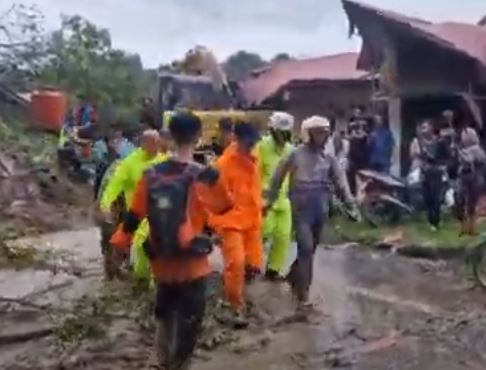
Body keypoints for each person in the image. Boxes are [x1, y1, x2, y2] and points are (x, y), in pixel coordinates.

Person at [110, 112, 233, 370]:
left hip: (162, 264)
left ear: (170, 137)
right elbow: (224, 207)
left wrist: (119, 245)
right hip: (193, 265)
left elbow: (133, 217)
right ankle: (178, 365)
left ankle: (160, 361)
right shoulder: (205, 175)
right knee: (189, 325)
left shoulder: (151, 174)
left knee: (165, 317)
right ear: (198, 136)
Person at [266, 116, 356, 311]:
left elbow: (341, 183)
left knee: (311, 248)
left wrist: (351, 205)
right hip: (301, 207)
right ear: (308, 134)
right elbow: (277, 177)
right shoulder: (295, 155)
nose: (322, 136)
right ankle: (303, 293)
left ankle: (293, 276)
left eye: (325, 132)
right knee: (305, 247)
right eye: (318, 132)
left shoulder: (328, 158)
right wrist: (269, 200)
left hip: (320, 206)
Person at [210, 122, 264, 325]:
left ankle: (238, 294)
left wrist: (262, 205)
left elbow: (254, 190)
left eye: (254, 142)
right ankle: (236, 307)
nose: (252, 145)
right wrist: (214, 226)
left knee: (254, 266)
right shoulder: (223, 164)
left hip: (252, 222)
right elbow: (212, 198)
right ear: (237, 139)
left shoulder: (254, 159)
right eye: (249, 142)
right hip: (229, 222)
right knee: (237, 263)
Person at [98, 130, 167, 279]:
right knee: (137, 247)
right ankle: (139, 278)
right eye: (152, 143)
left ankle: (156, 282)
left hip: (161, 214)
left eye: (157, 142)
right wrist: (105, 204)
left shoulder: (164, 160)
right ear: (143, 144)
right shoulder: (129, 163)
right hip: (137, 215)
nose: (156, 147)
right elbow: (114, 185)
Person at [258, 112, 294, 281]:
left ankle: (273, 270)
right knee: (263, 233)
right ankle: (249, 265)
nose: (283, 136)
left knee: (283, 236)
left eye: (286, 132)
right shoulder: (262, 147)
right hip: (264, 199)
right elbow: (254, 173)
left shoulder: (291, 150)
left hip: (284, 199)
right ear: (272, 131)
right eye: (280, 132)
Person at [411, 120, 445, 231]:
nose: (423, 130)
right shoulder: (421, 142)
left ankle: (435, 222)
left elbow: (445, 156)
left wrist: (443, 166)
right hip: (425, 172)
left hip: (436, 171)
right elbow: (419, 156)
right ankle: (431, 220)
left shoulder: (439, 141)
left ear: (431, 128)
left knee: (435, 198)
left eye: (425, 127)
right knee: (427, 197)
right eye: (422, 127)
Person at [457, 127, 486, 235]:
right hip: (464, 178)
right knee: (461, 202)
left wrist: (464, 155)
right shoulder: (464, 149)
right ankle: (464, 227)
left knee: (471, 204)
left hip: (474, 178)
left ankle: (472, 228)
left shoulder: (478, 150)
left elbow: (473, 161)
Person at [347, 117, 369, 194]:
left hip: (360, 161)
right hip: (354, 161)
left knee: (360, 180)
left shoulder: (363, 135)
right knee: (353, 180)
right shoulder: (352, 136)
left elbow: (362, 136)